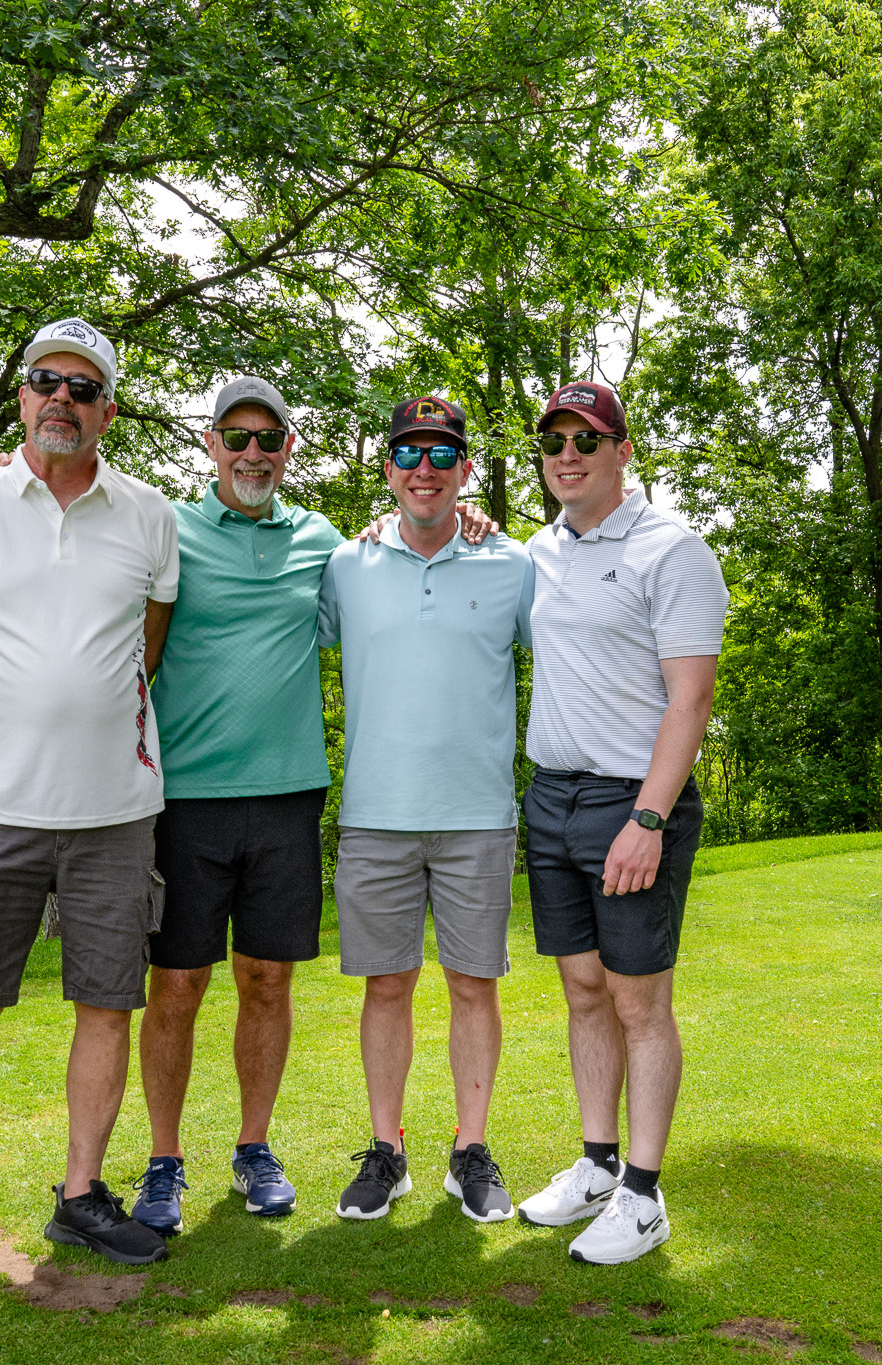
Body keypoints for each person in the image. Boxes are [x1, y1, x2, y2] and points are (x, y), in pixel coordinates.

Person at [0, 317, 179, 1311]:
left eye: (83, 387)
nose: (63, 397)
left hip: (114, 813)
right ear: (22, 395)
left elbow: (146, 647)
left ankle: (80, 1195)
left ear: (108, 410)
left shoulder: (148, 516)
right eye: (46, 380)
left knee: (107, 1004)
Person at [511, 381, 726, 1265]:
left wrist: (649, 816)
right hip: (551, 796)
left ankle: (643, 1194)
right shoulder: (539, 550)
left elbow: (691, 698)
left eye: (587, 440)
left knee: (640, 1000)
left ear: (622, 450)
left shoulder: (670, 549)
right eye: (554, 441)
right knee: (582, 989)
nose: (568, 455)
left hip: (631, 801)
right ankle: (598, 1165)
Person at [125, 377, 343, 1234]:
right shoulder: (165, 528)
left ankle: (255, 1146)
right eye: (237, 436)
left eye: (270, 438)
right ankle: (164, 1159)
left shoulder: (322, 540)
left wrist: (463, 517)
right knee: (177, 983)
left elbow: (401, 554)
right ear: (210, 443)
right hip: (185, 800)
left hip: (287, 798)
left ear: (288, 448)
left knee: (267, 979)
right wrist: (9, 472)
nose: (254, 453)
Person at [318, 394, 534, 1224]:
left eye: (443, 454)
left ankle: (470, 1150)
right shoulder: (348, 562)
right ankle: (388, 1150)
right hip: (376, 813)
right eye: (409, 453)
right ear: (388, 470)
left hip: (478, 815)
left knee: (474, 984)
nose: (425, 469)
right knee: (387, 984)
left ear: (465, 470)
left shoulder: (511, 562)